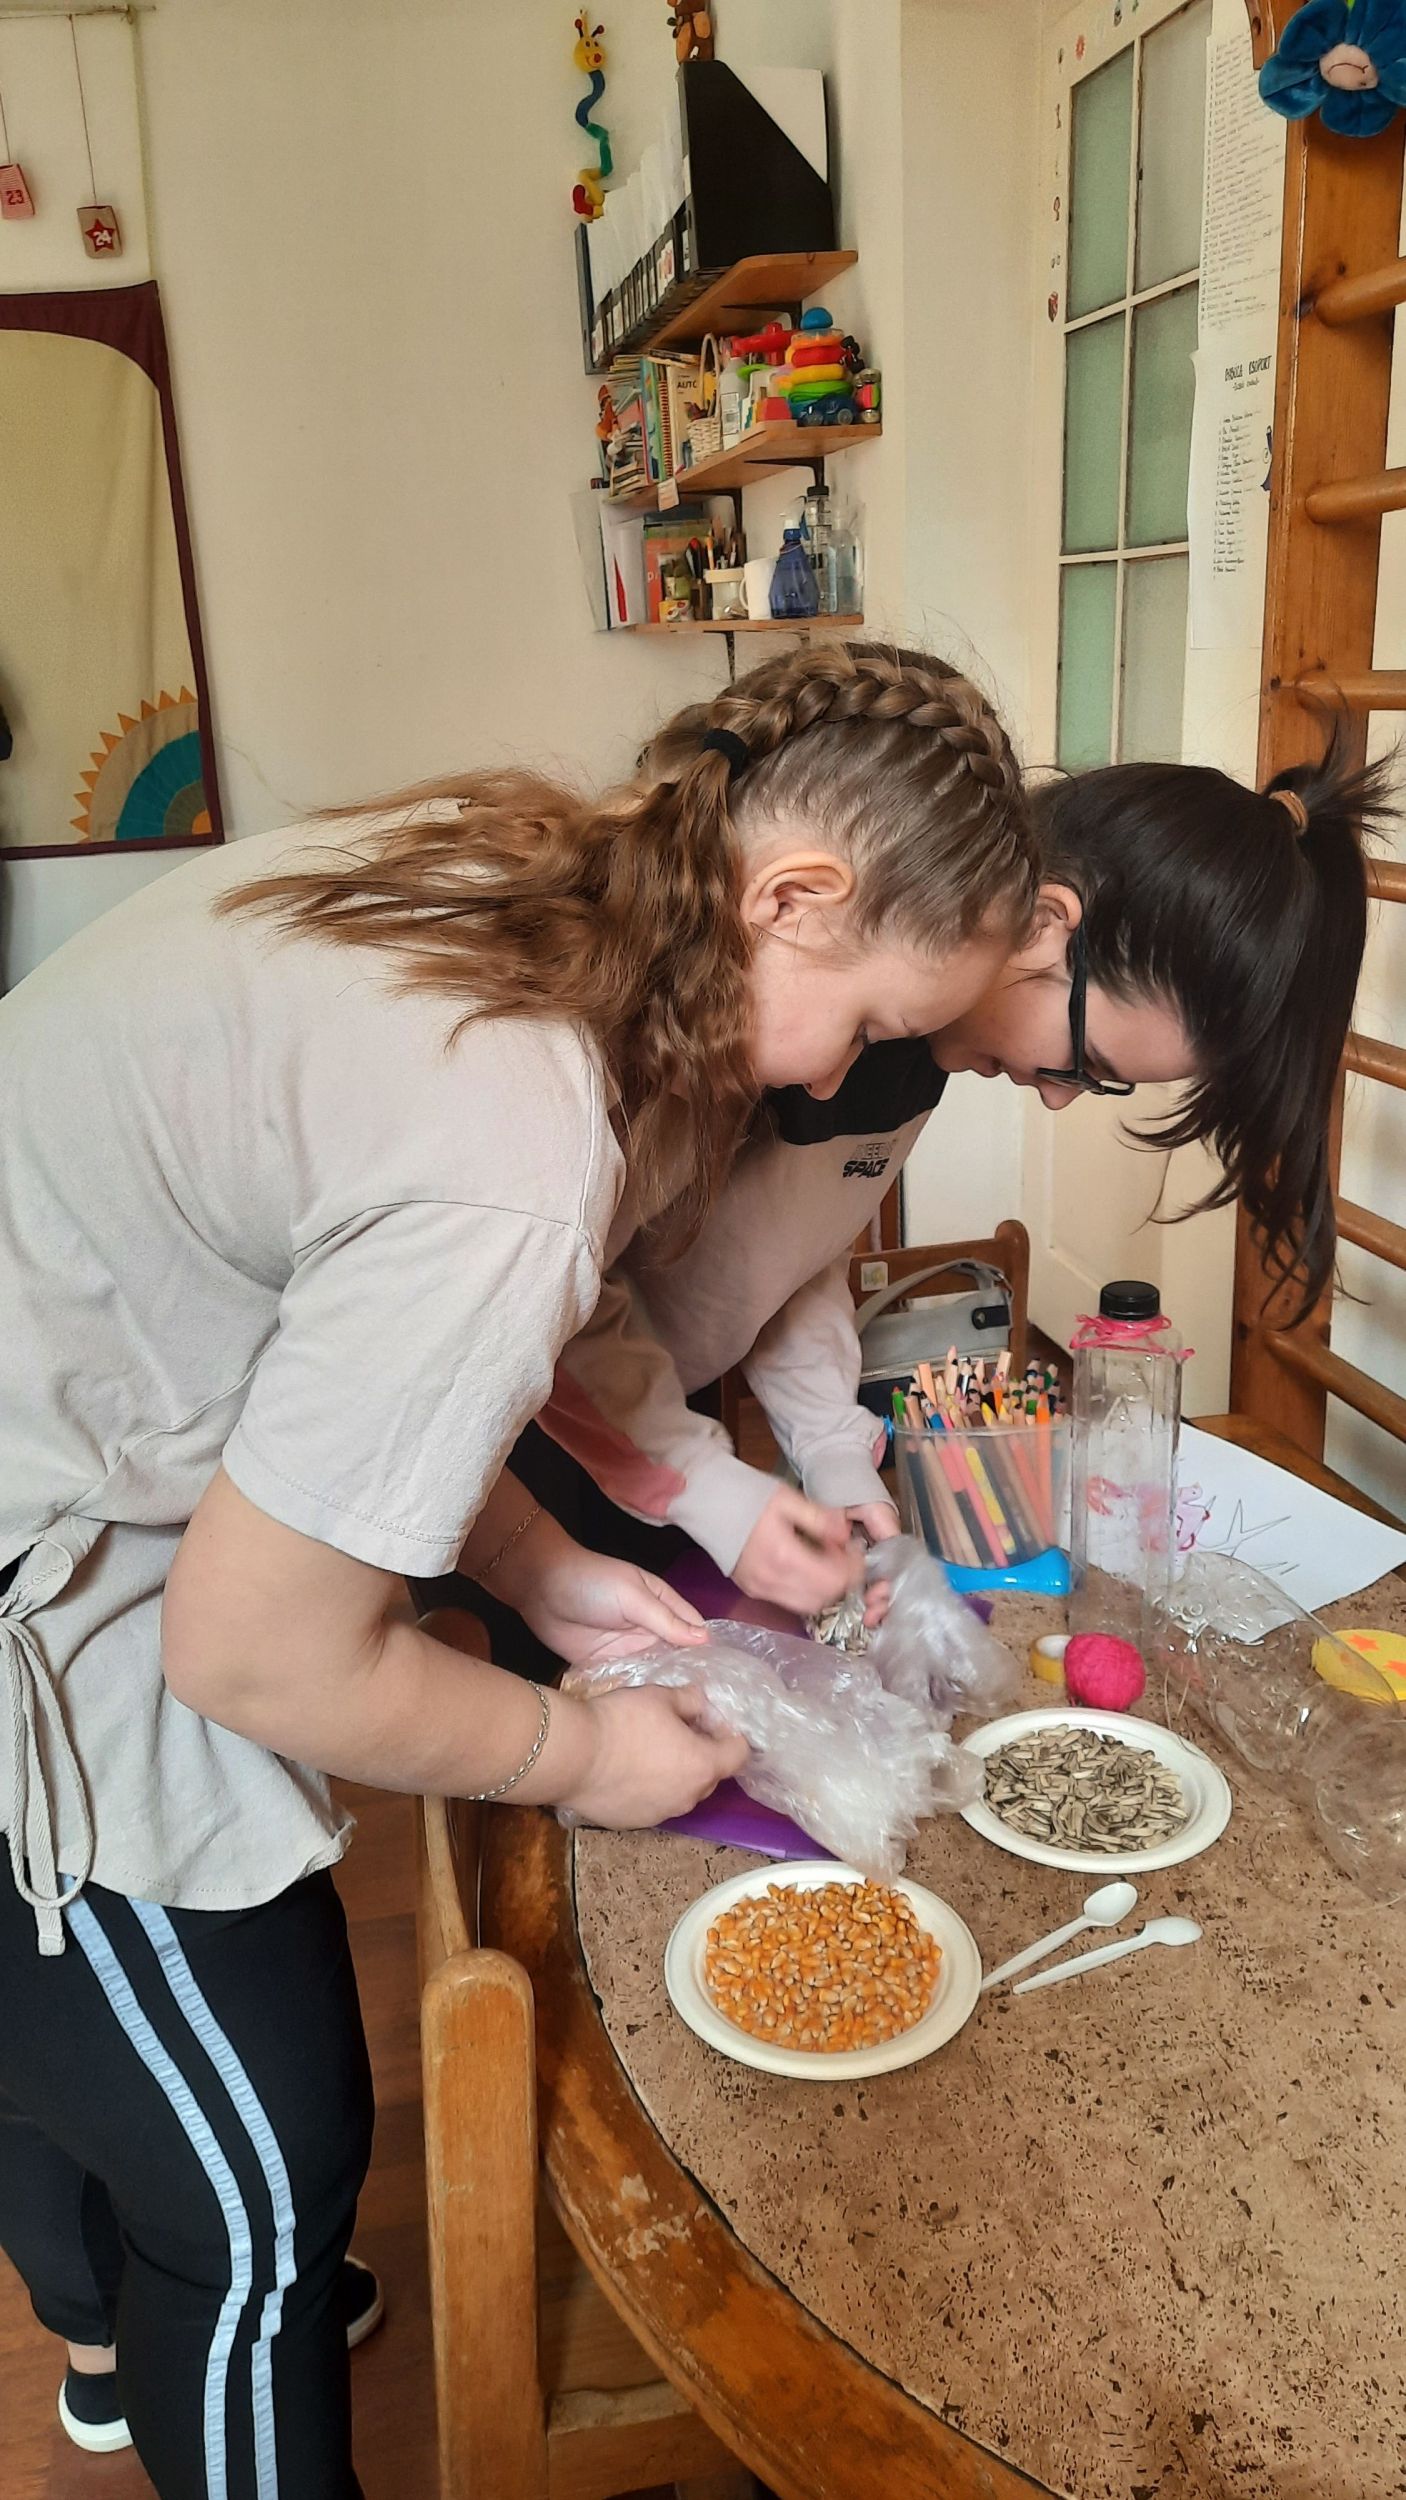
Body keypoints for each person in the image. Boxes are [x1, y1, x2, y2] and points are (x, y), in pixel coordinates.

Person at [0, 640, 1039, 2496]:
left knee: (127, 2100)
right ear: (792, 898)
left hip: (89, 1423)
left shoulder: (516, 865)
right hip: (48, 1562)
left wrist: (538, 1556)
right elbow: (254, 1652)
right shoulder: (521, 1127)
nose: (849, 1076)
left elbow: (334, 1321)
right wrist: (578, 1752)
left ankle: (113, 2317)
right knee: (259, 2182)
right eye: (874, 1019)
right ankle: (197, 2293)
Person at [508, 735, 1387, 1605]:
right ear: (1044, 926)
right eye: (1084, 1063)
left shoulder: (915, 1052)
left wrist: (832, 1450)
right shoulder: (774, 1024)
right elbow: (556, 1297)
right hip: (524, 1404)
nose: (1058, 1099)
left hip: (656, 1417)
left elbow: (788, 1249)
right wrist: (705, 1484)